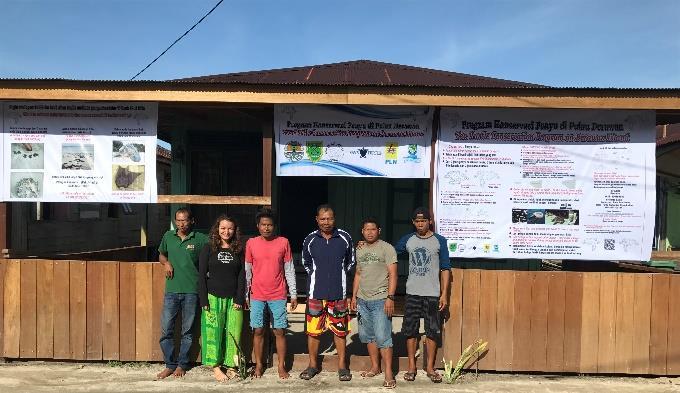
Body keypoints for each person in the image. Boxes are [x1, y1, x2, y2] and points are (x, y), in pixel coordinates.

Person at [299, 204, 355, 382]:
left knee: (340, 331)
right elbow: (306, 263)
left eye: (329, 218)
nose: (326, 222)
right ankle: (312, 365)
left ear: (334, 218)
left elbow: (350, 262)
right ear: (317, 220)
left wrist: (339, 278)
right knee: (313, 331)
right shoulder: (310, 240)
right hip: (316, 294)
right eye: (322, 219)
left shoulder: (344, 237)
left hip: (339, 293)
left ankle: (342, 366)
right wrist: (319, 277)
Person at [396, 207, 451, 384]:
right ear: (413, 223)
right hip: (412, 292)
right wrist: (366, 245)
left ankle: (429, 368)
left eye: (424, 221)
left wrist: (444, 294)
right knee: (410, 331)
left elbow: (445, 269)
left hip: (433, 294)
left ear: (430, 222)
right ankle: (412, 367)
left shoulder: (439, 241)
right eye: (417, 221)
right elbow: (388, 253)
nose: (420, 224)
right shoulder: (408, 240)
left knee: (433, 331)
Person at [156, 208, 209, 379]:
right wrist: (166, 263)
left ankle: (182, 364)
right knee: (166, 330)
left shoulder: (200, 239)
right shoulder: (168, 236)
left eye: (184, 220)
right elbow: (161, 255)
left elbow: (211, 257)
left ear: (192, 221)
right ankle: (169, 364)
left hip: (192, 291)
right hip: (171, 291)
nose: (181, 224)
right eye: (178, 220)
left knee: (187, 332)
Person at [245, 208, 298, 379]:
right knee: (258, 330)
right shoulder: (251, 243)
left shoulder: (283, 242)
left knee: (280, 331)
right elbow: (248, 270)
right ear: (258, 226)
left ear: (274, 226)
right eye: (263, 225)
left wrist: (294, 294)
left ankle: (281, 367)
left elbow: (289, 269)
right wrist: (246, 293)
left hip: (278, 294)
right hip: (257, 294)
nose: (266, 228)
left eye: (269, 225)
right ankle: (259, 365)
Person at [350, 218, 398, 389]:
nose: (370, 232)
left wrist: (390, 297)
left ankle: (388, 373)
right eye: (366, 229)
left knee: (383, 337)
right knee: (368, 336)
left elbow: (393, 274)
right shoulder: (360, 249)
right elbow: (358, 274)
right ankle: (375, 367)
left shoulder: (387, 248)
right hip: (363, 300)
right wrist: (354, 296)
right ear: (362, 232)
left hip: (381, 299)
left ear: (379, 230)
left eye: (373, 229)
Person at [198, 215, 246, 382]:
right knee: (213, 332)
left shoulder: (238, 249)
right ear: (217, 229)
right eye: (223, 228)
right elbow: (202, 276)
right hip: (212, 297)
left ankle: (231, 365)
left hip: (233, 299)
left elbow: (242, 276)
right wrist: (203, 300)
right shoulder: (208, 248)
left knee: (234, 332)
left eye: (230, 228)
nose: (226, 231)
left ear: (235, 230)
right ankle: (216, 367)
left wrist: (240, 298)